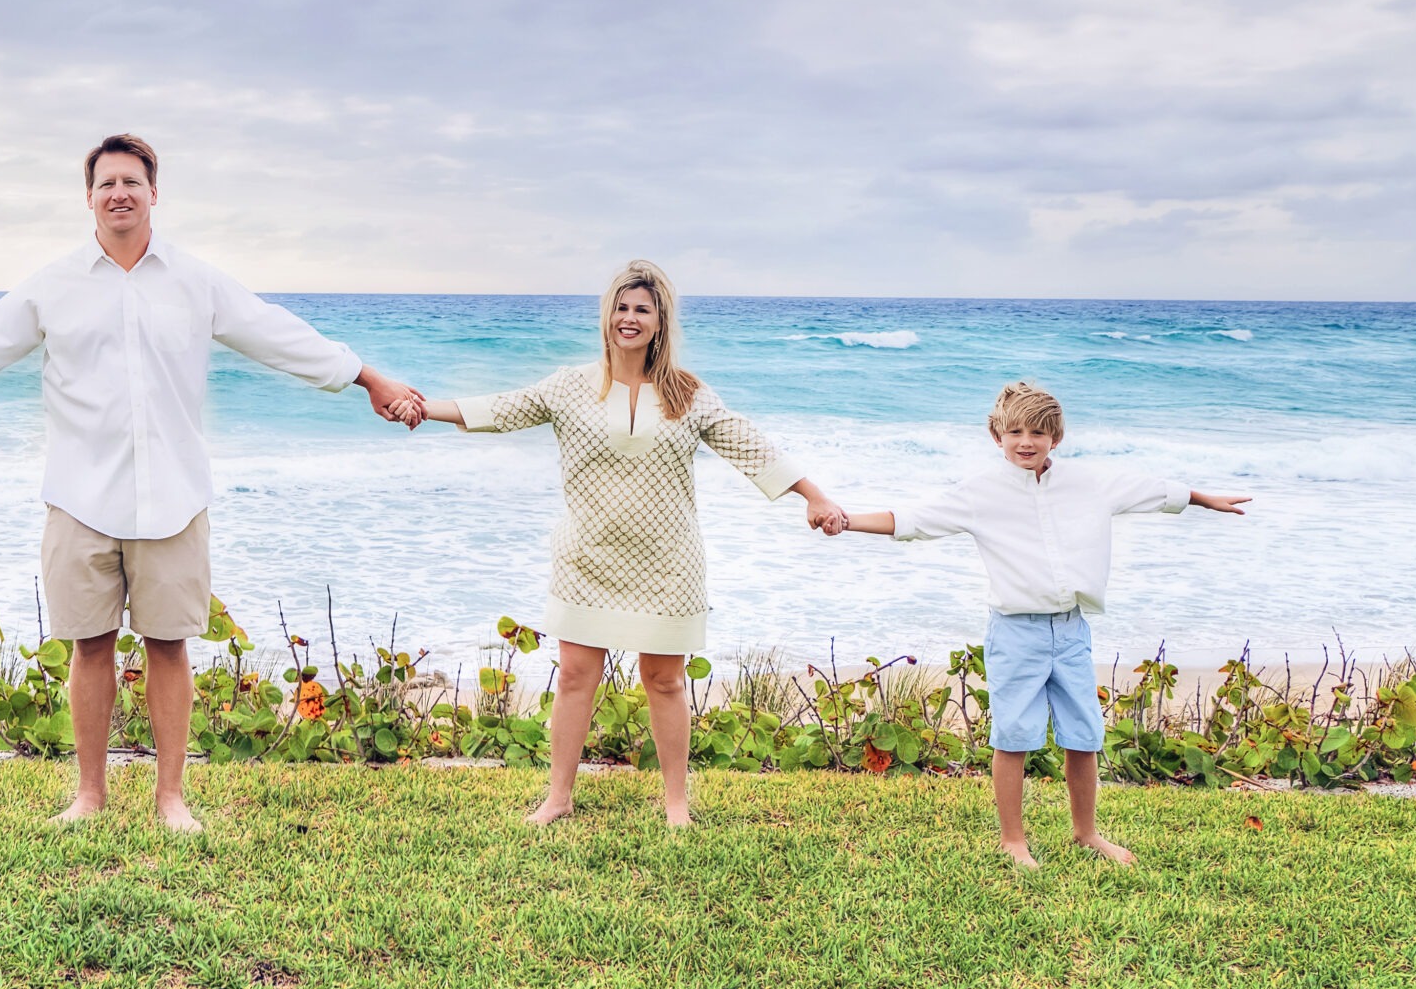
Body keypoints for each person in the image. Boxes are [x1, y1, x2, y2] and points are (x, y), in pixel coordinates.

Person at [0, 133, 422, 833]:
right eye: (106, 182)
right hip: (81, 495)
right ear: (89, 197)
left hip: (174, 495)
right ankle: (90, 793)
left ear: (153, 193)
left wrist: (368, 377)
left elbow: (277, 333)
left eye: (131, 182)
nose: (119, 193)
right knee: (90, 644)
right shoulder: (53, 284)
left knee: (170, 644)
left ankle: (172, 797)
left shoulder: (196, 280)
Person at [413, 259, 844, 827]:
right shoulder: (570, 386)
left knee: (664, 681)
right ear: (607, 317)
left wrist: (814, 496)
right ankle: (558, 799)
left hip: (667, 563)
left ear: (660, 322)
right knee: (573, 677)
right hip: (586, 558)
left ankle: (676, 806)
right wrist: (424, 407)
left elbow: (752, 448)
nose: (629, 317)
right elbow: (501, 409)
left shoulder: (688, 393)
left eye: (642, 308)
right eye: (621, 307)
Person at [820, 380, 1249, 867]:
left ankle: (1086, 833)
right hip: (1014, 632)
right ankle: (1013, 840)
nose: (1026, 441)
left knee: (1083, 735)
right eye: (1015, 432)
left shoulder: (1089, 483)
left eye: (1039, 432)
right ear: (996, 435)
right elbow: (914, 520)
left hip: (1071, 630)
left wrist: (1206, 499)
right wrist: (846, 520)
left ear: (1057, 438)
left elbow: (1153, 491)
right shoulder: (980, 492)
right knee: (1014, 736)